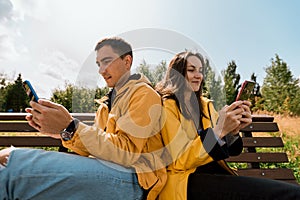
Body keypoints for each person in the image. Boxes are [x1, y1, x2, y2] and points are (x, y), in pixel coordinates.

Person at [0, 37, 167, 200]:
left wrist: (71, 127)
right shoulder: (106, 104)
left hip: (136, 180)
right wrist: (63, 132)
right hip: (111, 170)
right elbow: (100, 148)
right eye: (99, 64)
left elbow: (127, 152)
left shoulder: (143, 94)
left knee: (11, 167)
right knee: (6, 162)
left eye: (107, 61)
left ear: (127, 62)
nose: (102, 70)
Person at [155, 51, 300, 200]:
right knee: (290, 195)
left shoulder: (206, 106)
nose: (198, 76)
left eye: (200, 71)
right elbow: (179, 160)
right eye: (191, 70)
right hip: (186, 181)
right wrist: (218, 131)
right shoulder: (167, 106)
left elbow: (226, 147)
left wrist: (232, 131)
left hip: (214, 174)